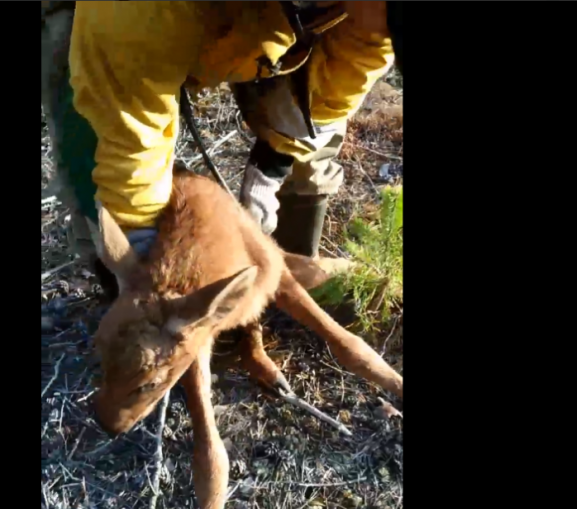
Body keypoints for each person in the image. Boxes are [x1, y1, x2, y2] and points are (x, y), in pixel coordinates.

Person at [41, 1, 401, 299]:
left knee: (311, 134)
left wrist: (272, 165)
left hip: (283, 17)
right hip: (113, 24)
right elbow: (127, 123)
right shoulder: (137, 15)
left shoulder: (375, 12)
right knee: (95, 153)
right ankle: (130, 303)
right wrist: (146, 251)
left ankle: (286, 283)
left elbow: (355, 61)